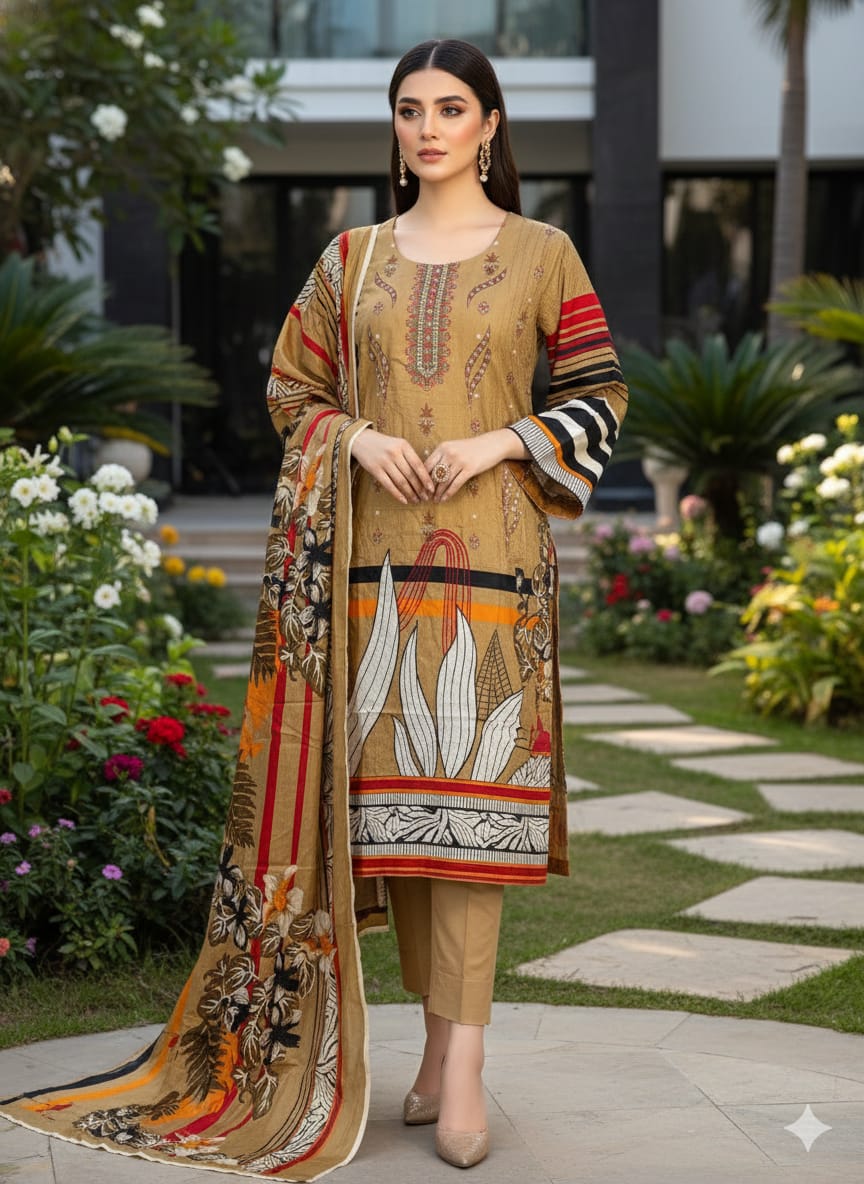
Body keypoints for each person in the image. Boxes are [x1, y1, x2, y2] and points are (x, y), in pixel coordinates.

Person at [0, 37, 627, 1180]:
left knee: (469, 820)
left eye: (451, 108)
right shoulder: (350, 259)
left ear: (490, 124)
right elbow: (293, 390)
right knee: (389, 826)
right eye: (410, 109)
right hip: (362, 575)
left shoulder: (544, 252)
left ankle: (462, 1062)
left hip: (495, 567)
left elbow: (598, 394)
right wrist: (363, 439)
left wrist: (500, 439)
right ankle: (432, 1051)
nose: (428, 128)